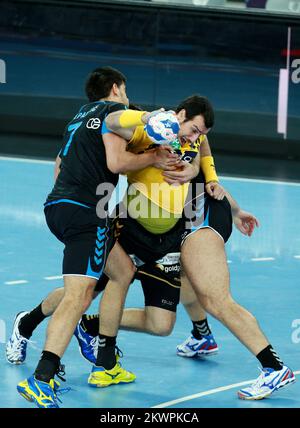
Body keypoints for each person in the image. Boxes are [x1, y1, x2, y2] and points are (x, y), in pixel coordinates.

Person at [14, 66, 180, 408]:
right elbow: (117, 161)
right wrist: (153, 131)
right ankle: (41, 379)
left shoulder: (78, 117)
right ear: (116, 88)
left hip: (60, 206)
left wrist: (67, 199)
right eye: (126, 90)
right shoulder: (114, 111)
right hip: (87, 212)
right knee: (80, 295)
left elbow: (59, 163)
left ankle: (105, 358)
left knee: (121, 271)